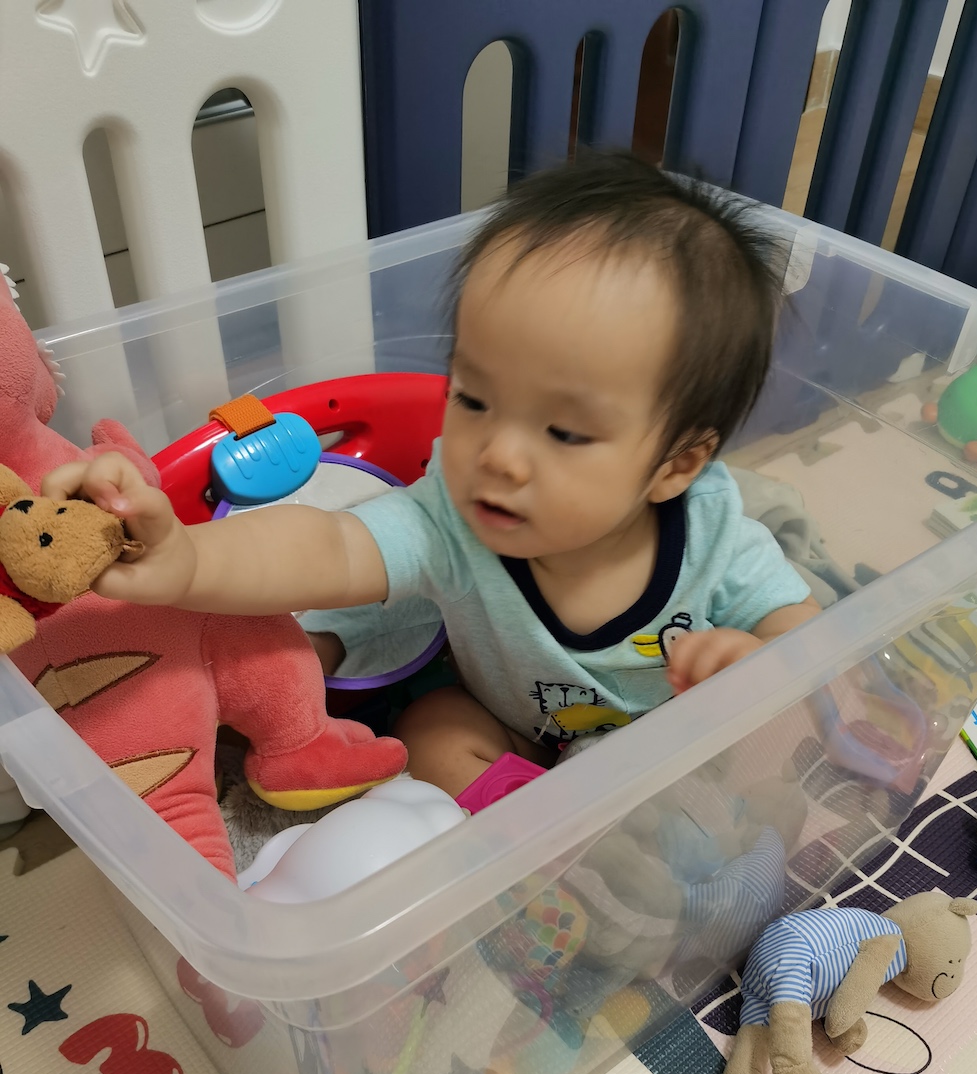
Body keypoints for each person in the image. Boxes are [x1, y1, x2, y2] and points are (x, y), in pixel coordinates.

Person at [43, 150, 819, 800]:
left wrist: (757, 667)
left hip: (662, 748)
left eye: (563, 431)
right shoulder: (452, 518)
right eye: (474, 399)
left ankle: (613, 821)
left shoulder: (712, 533)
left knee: (753, 765)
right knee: (434, 732)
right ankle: (532, 827)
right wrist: (185, 560)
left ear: (675, 464)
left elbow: (810, 634)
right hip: (512, 728)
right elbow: (325, 548)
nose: (498, 454)